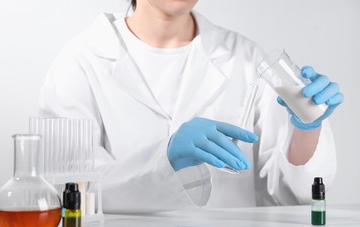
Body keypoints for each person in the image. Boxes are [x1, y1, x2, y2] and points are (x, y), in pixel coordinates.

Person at [38, 0, 343, 213]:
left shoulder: (245, 57)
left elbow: (294, 193)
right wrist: (163, 159)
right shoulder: (80, 60)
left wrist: (307, 126)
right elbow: (70, 191)